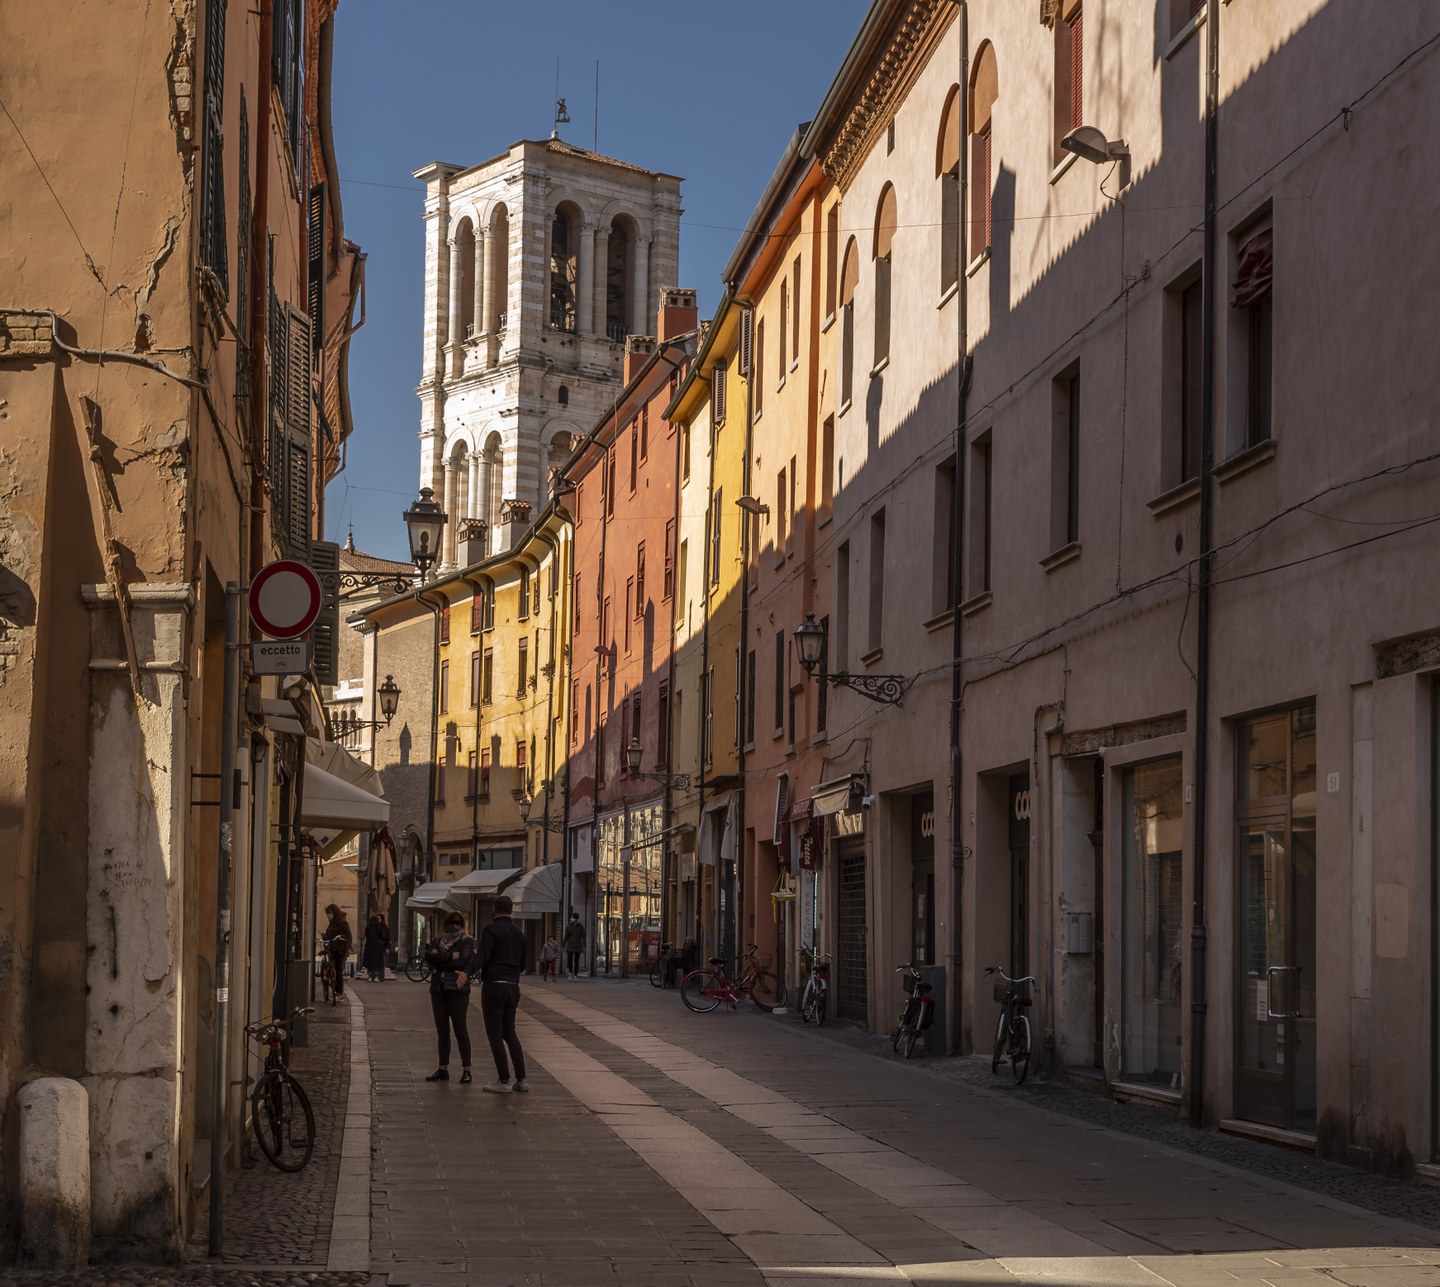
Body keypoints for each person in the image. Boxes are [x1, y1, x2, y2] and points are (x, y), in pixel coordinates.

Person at [475, 895, 529, 1093]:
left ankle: (503, 1079)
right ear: (511, 910)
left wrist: (467, 971)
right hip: (513, 986)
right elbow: (523, 964)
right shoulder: (520, 933)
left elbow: (482, 955)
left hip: (494, 985)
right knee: (510, 1032)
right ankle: (522, 1079)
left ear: (495, 909)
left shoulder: (491, 930)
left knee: (495, 1033)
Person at [423, 911, 478, 1084]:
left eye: (457, 923)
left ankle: (466, 1069)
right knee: (442, 1031)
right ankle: (442, 1068)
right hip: (438, 989)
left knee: (460, 1030)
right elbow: (429, 958)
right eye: (451, 922)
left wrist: (441, 961)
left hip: (457, 990)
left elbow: (463, 962)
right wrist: (449, 957)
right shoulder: (437, 940)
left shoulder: (467, 941)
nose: (454, 926)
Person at [321, 904, 353, 998]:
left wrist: (342, 947)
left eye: (328, 914)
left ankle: (339, 991)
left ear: (333, 913)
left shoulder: (342, 923)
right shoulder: (332, 923)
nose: (327, 916)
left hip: (339, 950)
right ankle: (330, 982)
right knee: (331, 966)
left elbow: (348, 937)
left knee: (339, 970)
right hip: (331, 948)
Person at [362, 913, 390, 982]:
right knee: (377, 963)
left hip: (369, 947)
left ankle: (370, 976)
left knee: (370, 962)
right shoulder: (380, 927)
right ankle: (376, 977)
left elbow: (366, 936)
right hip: (378, 948)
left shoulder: (368, 927)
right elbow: (383, 937)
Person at [562, 912, 585, 981]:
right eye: (572, 917)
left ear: (576, 919)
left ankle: (575, 975)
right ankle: (570, 973)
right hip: (570, 945)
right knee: (570, 960)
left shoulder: (581, 927)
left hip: (578, 945)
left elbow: (583, 937)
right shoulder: (568, 926)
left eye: (573, 917)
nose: (572, 919)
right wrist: (563, 946)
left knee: (576, 961)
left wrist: (584, 946)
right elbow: (566, 937)